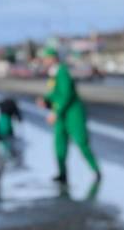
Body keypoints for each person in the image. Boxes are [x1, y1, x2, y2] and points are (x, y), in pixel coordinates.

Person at [37, 46, 100, 184]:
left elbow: (66, 95)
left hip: (72, 114)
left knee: (82, 142)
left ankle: (96, 171)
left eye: (47, 58)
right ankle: (62, 173)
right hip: (61, 115)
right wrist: (46, 100)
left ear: (53, 58)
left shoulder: (63, 72)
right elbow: (55, 93)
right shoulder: (53, 74)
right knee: (59, 145)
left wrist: (56, 112)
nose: (45, 61)